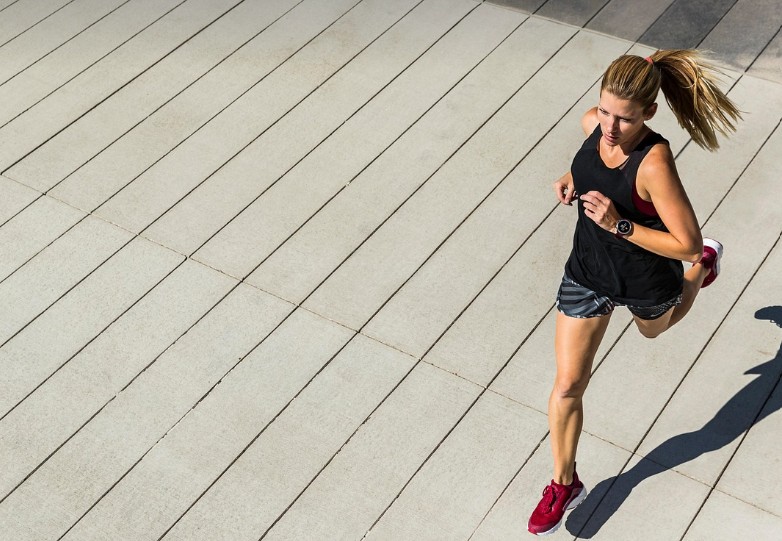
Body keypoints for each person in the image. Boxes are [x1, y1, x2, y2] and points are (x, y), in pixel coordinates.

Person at [527, 50, 742, 536]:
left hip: (646, 276)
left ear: (648, 113)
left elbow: (684, 241)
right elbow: (588, 158)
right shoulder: (594, 125)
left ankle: (704, 271)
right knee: (567, 386)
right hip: (587, 272)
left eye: (624, 118)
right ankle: (564, 482)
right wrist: (570, 177)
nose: (609, 126)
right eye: (604, 111)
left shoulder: (654, 162)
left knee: (655, 330)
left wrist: (619, 223)